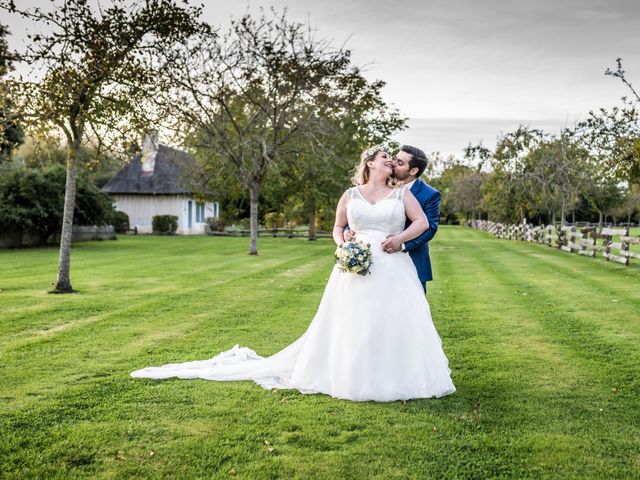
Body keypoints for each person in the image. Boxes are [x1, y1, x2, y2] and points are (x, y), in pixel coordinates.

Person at [131, 146, 456, 402]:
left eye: (394, 159)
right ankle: (349, 371)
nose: (391, 162)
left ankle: (395, 375)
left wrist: (399, 239)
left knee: (392, 319)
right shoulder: (350, 195)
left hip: (390, 264)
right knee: (351, 319)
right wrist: (342, 244)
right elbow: (338, 227)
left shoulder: (402, 194)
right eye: (385, 157)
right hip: (353, 266)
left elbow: (422, 224)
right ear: (369, 164)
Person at [345, 145, 440, 293]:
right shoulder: (374, 184)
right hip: (370, 260)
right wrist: (347, 231)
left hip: (412, 259)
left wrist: (401, 244)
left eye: (400, 163)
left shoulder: (429, 194)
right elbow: (360, 213)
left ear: (413, 171)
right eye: (394, 158)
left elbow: (430, 228)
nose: (393, 162)